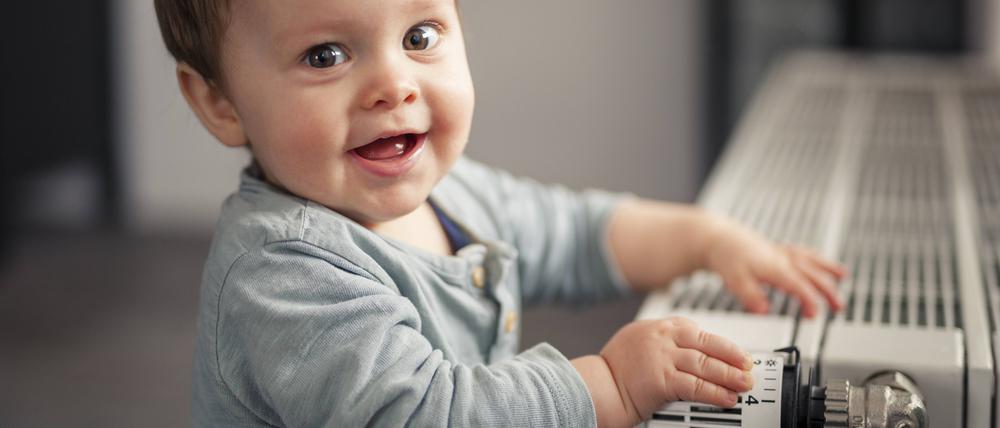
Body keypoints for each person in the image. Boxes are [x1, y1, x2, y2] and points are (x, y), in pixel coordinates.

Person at [154, 0, 846, 426]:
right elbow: (428, 416)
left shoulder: (457, 196)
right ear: (220, 102)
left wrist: (705, 238)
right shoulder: (280, 273)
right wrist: (611, 385)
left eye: (420, 35)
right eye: (326, 54)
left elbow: (577, 234)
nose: (394, 84)